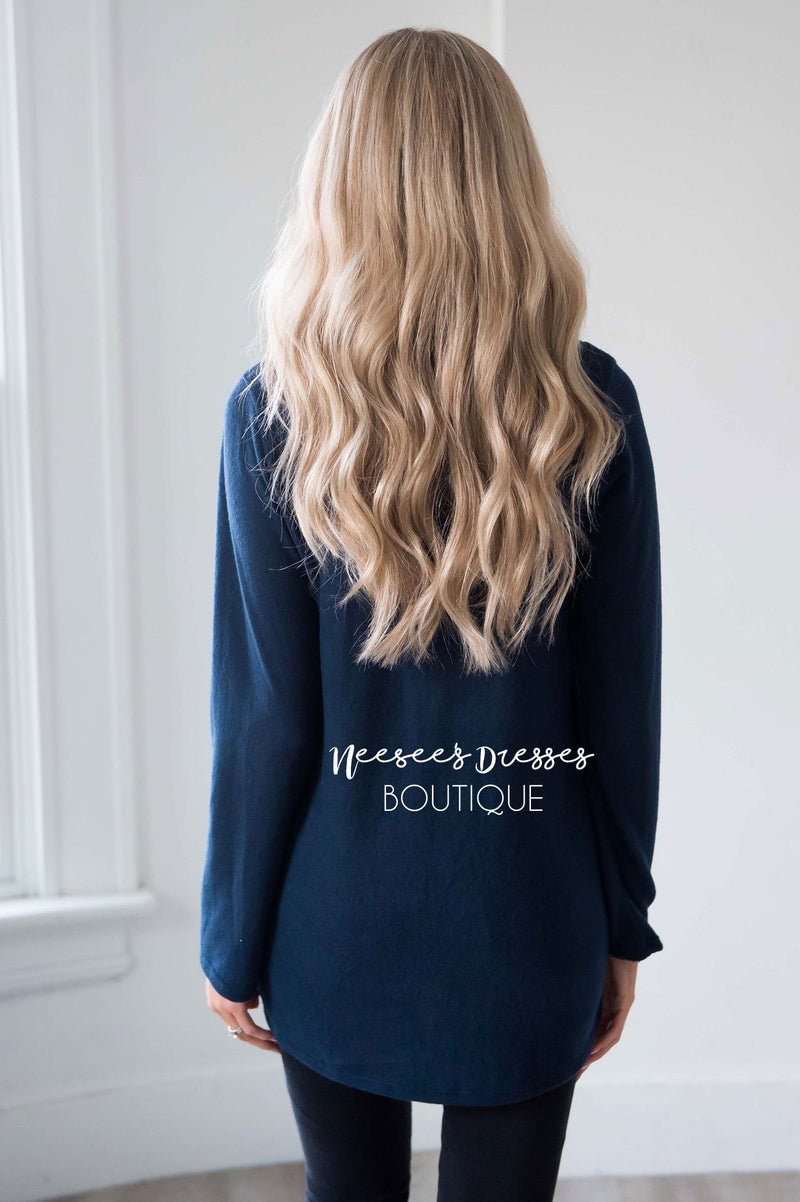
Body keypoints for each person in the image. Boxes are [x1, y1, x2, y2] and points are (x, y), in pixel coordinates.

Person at [200, 26, 663, 1202]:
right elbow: (619, 704)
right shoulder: (588, 406)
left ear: (336, 183)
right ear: (505, 182)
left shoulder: (274, 412)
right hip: (528, 907)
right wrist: (620, 918)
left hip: (332, 918)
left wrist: (231, 935)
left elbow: (265, 722)